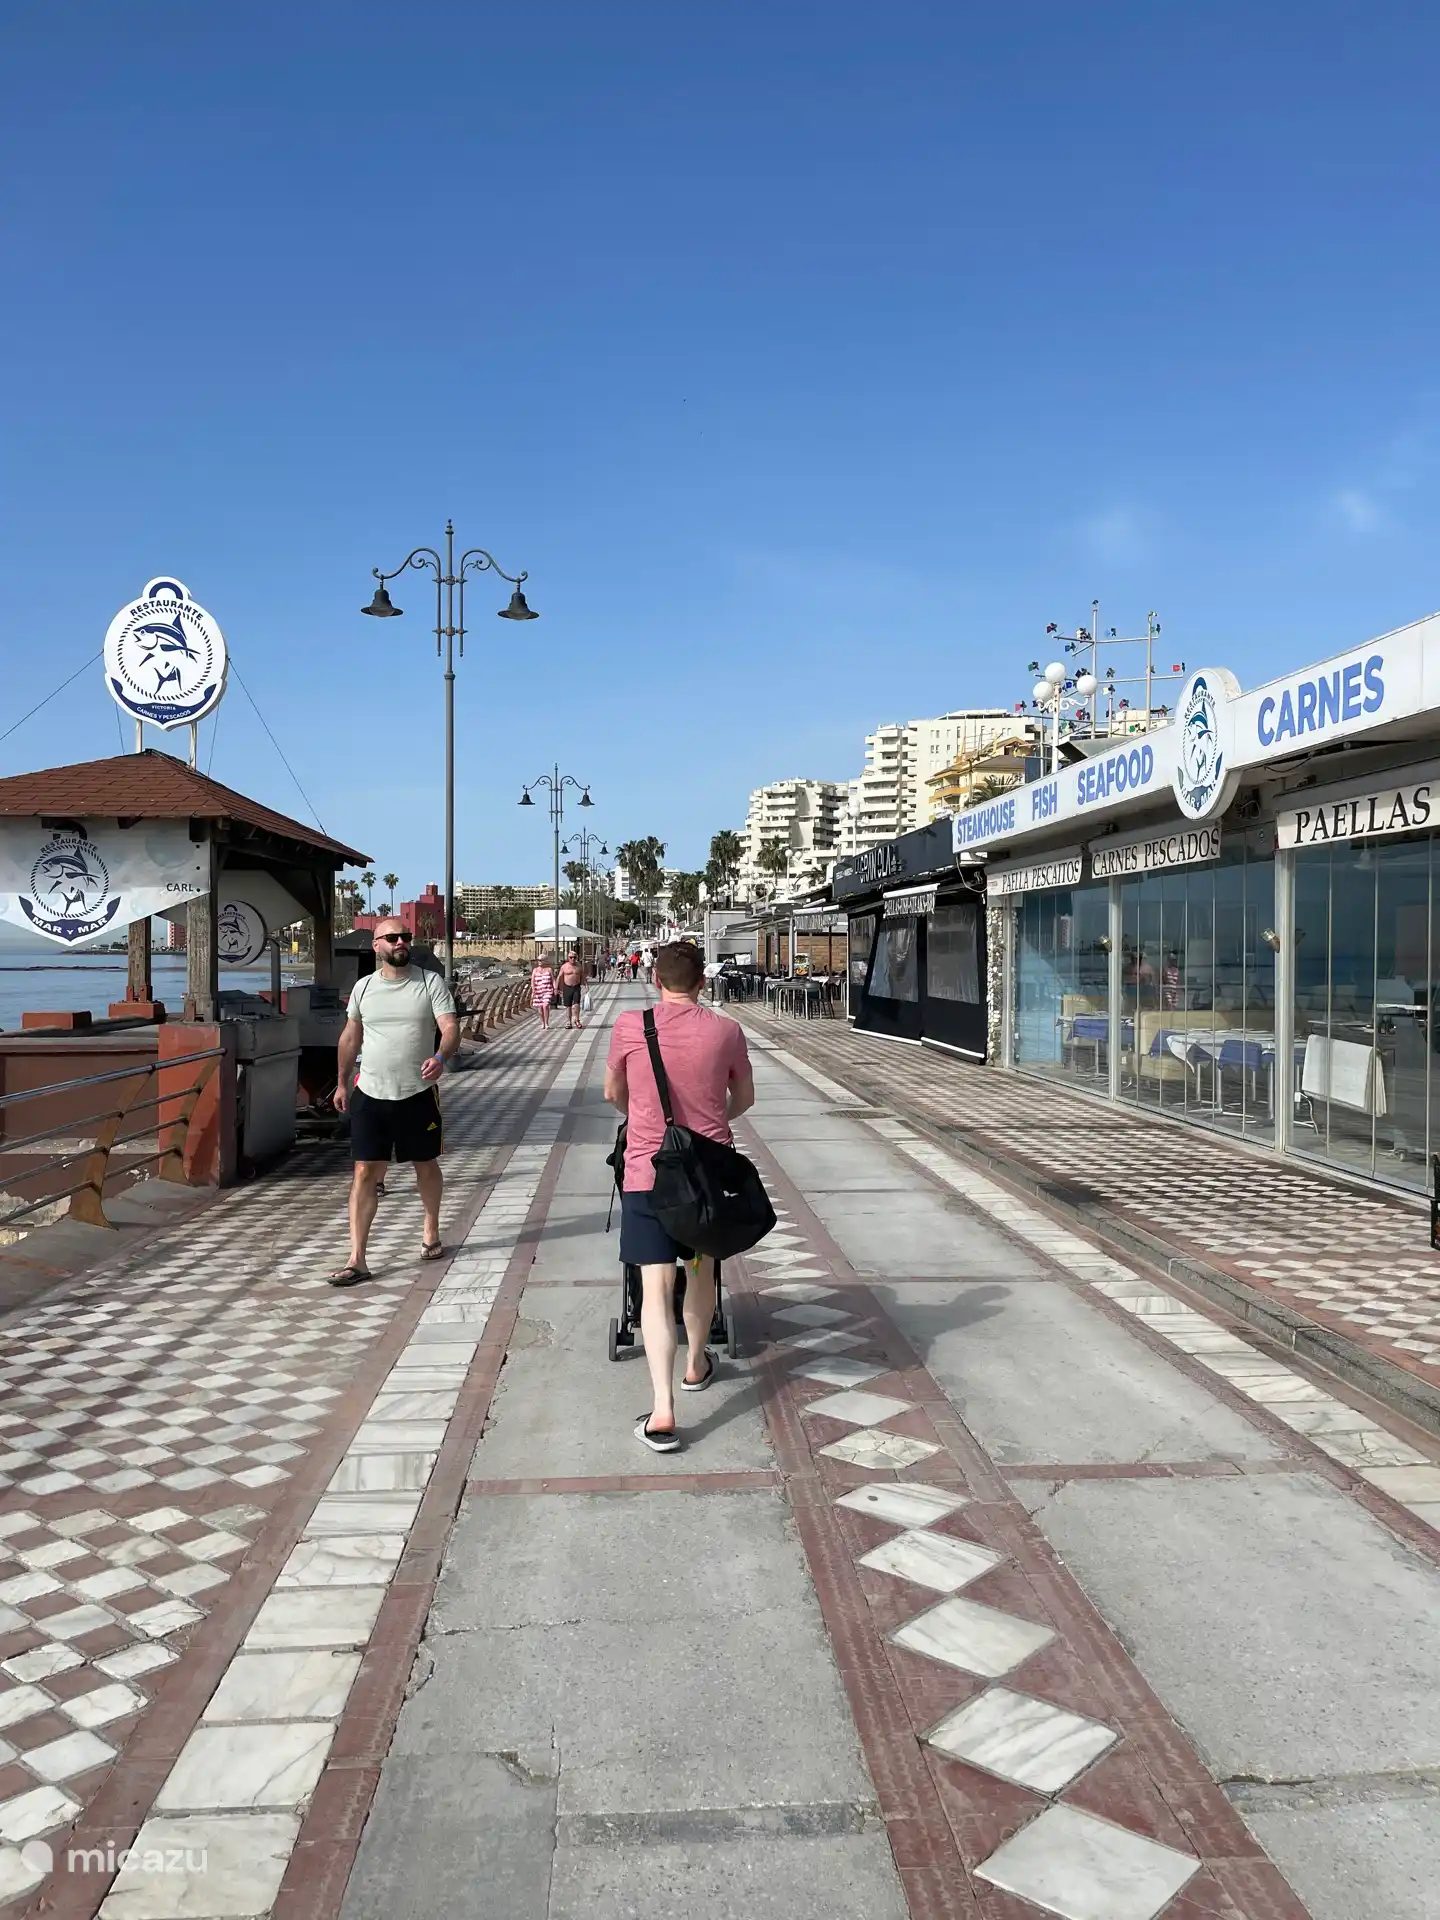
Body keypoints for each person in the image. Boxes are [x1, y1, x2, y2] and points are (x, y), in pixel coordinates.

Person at [604, 941, 755, 1452]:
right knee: (700, 1270)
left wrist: (645, 1118)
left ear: (656, 981)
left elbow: (612, 1093)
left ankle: (664, 1409)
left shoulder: (630, 1026)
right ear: (703, 983)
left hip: (646, 1172)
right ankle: (696, 1363)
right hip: (706, 1176)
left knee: (653, 1288)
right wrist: (709, 1127)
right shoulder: (726, 1031)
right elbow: (746, 1098)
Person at [331, 918, 459, 1287]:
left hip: (417, 1093)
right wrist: (341, 1083)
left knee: (425, 1163)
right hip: (369, 1092)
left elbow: (449, 1026)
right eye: (392, 938)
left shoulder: (429, 982)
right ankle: (357, 1259)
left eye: (405, 937)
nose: (401, 942)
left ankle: (431, 1231)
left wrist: (441, 1056)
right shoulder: (364, 988)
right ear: (377, 946)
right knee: (364, 1172)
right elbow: (350, 1038)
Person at [557, 948, 586, 1029]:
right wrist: (556, 988)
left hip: (576, 987)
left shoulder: (579, 965)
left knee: (577, 1004)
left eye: (574, 957)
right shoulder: (564, 966)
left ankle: (577, 1020)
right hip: (567, 987)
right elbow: (559, 977)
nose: (573, 959)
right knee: (568, 1006)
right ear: (568, 958)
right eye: (571, 957)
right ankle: (568, 1022)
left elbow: (582, 975)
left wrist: (586, 985)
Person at [531, 950, 557, 1029]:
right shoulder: (535, 970)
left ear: (545, 961)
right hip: (538, 992)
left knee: (545, 1006)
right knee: (540, 1009)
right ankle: (542, 1023)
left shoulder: (549, 969)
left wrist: (555, 988)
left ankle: (546, 1023)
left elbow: (553, 980)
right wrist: (533, 991)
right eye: (538, 960)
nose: (539, 961)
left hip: (547, 991)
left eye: (541, 960)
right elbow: (532, 981)